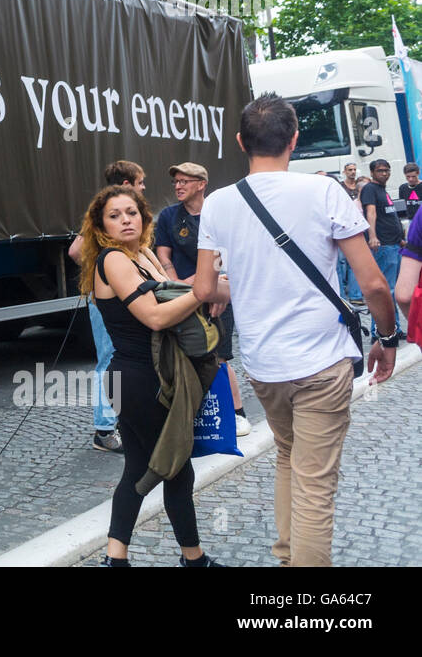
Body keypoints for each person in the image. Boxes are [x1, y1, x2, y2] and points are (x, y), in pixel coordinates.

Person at [194, 93, 397, 567]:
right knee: (315, 485)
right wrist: (387, 340)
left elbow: (205, 288)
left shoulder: (220, 203)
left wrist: (248, 277)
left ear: (242, 141)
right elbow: (372, 284)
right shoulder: (323, 191)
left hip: (265, 366)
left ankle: (287, 555)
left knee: (289, 456)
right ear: (295, 140)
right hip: (321, 362)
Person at [79, 185, 225, 567]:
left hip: (152, 376)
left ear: (144, 217)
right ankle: (194, 561)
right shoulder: (113, 260)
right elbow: (156, 316)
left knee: (140, 467)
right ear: (100, 225)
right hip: (136, 380)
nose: (126, 219)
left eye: (132, 212)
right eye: (114, 215)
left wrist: (212, 286)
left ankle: (116, 558)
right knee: (177, 467)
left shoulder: (142, 254)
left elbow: (175, 292)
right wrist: (203, 291)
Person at [153, 162, 251, 437]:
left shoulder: (218, 214)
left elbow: (228, 252)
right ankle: (187, 418)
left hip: (217, 292)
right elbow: (163, 256)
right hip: (182, 296)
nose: (178, 186)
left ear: (201, 184)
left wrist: (209, 281)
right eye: (176, 182)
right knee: (181, 355)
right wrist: (176, 283)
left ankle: (237, 413)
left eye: (185, 181)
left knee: (219, 356)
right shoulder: (169, 216)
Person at [67, 159, 147, 455]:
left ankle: (119, 421)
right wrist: (104, 275)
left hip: (111, 296)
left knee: (118, 356)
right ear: (126, 185)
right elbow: (75, 250)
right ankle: (104, 430)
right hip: (106, 299)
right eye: (140, 183)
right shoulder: (109, 213)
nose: (143, 188)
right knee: (110, 359)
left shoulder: (113, 213)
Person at [360, 158, 405, 341]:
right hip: (384, 246)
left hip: (394, 244)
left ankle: (395, 328)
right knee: (386, 290)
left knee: (392, 290)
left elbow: (389, 216)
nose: (384, 173)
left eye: (387, 170)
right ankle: (379, 331)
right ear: (372, 173)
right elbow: (371, 213)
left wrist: (400, 239)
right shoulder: (370, 189)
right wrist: (373, 236)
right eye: (380, 171)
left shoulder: (382, 190)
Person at [336, 163, 364, 302]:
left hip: (358, 227)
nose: (352, 172)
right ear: (344, 172)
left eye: (354, 170)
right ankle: (344, 294)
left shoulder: (359, 186)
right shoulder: (341, 187)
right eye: (350, 170)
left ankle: (355, 294)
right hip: (345, 227)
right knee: (341, 262)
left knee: (355, 263)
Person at [399, 162, 421, 228]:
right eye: (408, 177)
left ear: (418, 173)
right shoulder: (403, 188)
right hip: (411, 220)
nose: (410, 179)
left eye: (413, 176)